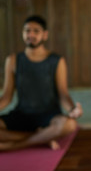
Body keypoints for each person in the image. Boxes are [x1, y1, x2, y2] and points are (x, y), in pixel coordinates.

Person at [0, 15, 83, 151]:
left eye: (36, 31)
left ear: (45, 35)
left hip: (49, 116)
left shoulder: (57, 61)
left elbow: (63, 94)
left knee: (70, 125)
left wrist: (72, 109)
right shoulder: (13, 60)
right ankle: (43, 137)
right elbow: (6, 98)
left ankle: (14, 145)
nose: (30, 34)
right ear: (23, 33)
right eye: (27, 31)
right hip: (22, 114)